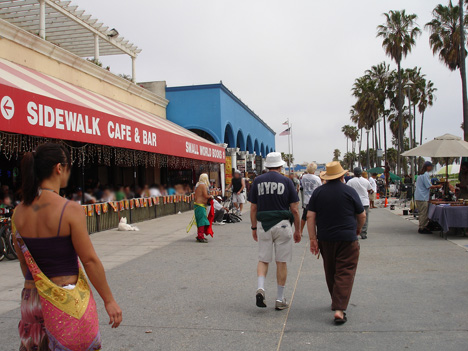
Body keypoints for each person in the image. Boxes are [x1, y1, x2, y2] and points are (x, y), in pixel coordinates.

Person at [12, 143, 122, 350]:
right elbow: (89, 260)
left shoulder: (18, 212)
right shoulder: (69, 210)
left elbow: (24, 263)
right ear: (59, 168)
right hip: (64, 298)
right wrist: (109, 300)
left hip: (32, 298)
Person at [306, 161, 366, 324]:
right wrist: (358, 229)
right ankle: (339, 308)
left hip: (325, 238)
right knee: (345, 270)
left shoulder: (318, 193)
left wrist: (313, 238)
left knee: (331, 269)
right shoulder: (349, 191)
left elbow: (310, 216)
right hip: (347, 237)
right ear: (342, 176)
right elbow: (362, 215)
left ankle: (336, 300)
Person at [248, 152, 301, 310]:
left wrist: (253, 227)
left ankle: (261, 287)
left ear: (267, 166)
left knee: (263, 259)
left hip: (264, 224)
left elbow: (253, 208)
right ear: (280, 165)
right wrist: (298, 229)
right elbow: (295, 209)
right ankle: (279, 298)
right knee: (281, 262)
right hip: (283, 224)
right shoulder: (287, 181)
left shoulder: (257, 181)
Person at [415, 161, 441, 234]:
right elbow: (429, 186)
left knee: (421, 212)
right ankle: (422, 228)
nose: (431, 168)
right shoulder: (425, 175)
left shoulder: (420, 174)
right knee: (423, 213)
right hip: (422, 197)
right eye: (431, 167)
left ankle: (422, 226)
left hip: (419, 196)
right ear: (428, 167)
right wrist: (437, 186)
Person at [346, 167, 373, 239]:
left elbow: (347, 190)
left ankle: (354, 232)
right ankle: (363, 233)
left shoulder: (350, 181)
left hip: (354, 202)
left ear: (354, 173)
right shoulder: (366, 181)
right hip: (365, 202)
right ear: (361, 173)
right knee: (365, 218)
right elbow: (370, 190)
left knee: (354, 218)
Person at [300, 162, 322, 233]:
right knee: (317, 217)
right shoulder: (317, 178)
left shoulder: (304, 177)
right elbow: (320, 188)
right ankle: (318, 231)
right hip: (315, 200)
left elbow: (302, 186)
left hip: (307, 200)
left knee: (304, 216)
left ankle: (300, 230)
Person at [194, 173, 213, 243]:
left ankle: (200, 235)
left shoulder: (197, 185)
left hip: (197, 205)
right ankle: (200, 236)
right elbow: (205, 195)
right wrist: (211, 196)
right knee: (202, 221)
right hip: (200, 206)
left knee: (200, 221)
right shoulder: (203, 185)